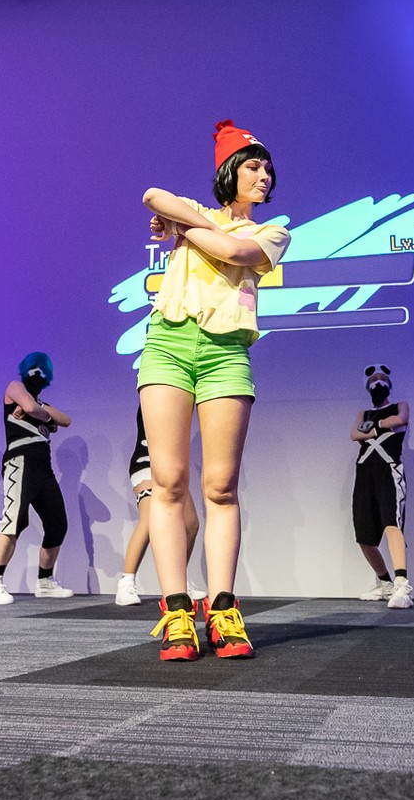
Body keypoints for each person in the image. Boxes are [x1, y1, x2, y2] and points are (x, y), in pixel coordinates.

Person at [137, 119, 291, 660]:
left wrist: (184, 229)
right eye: (254, 166)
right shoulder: (193, 211)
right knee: (168, 482)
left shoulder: (272, 232)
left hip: (227, 353)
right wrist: (186, 221)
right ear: (230, 171)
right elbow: (152, 195)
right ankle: (177, 610)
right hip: (167, 345)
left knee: (221, 486)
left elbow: (233, 252)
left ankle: (223, 609)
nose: (265, 176)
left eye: (268, 169)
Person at [0, 353, 75, 604]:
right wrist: (42, 415)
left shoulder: (41, 402)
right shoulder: (14, 387)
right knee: (13, 520)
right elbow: (31, 408)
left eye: (42, 369)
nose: (38, 372)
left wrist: (41, 413)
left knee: (57, 524)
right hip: (20, 460)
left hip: (43, 466)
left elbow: (65, 420)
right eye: (34, 367)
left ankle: (45, 582)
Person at [115, 406, 202, 606]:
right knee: (148, 520)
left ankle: (179, 583)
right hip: (147, 461)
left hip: (170, 466)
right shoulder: (156, 394)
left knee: (191, 524)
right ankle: (126, 582)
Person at [350, 364, 413, 609]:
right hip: (364, 472)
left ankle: (401, 584)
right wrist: (382, 426)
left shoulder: (400, 405)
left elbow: (401, 419)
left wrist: (372, 430)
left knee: (391, 523)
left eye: (382, 378)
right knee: (364, 535)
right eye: (374, 379)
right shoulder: (363, 413)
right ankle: (385, 583)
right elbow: (355, 434)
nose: (378, 383)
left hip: (389, 470)